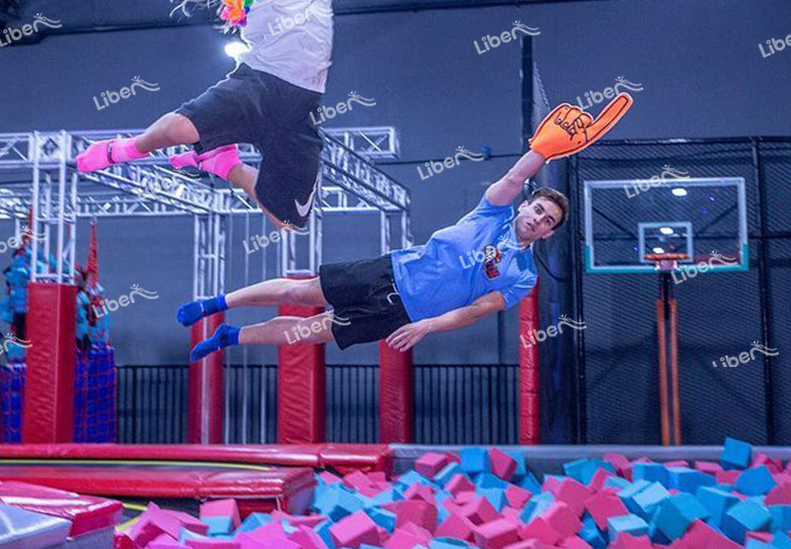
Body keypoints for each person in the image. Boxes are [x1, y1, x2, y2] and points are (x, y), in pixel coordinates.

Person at [75, 0, 482, 229]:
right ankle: (124, 149)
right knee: (181, 130)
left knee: (288, 219)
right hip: (258, 83)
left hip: (302, 102)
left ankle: (223, 164)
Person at [177, 95, 633, 359]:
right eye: (536, 210)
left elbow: (474, 311)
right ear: (525, 208)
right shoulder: (491, 212)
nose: (538, 219)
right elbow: (514, 178)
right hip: (389, 272)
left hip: (404, 314)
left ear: (548, 233)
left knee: (309, 332)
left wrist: (427, 327)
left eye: (547, 221)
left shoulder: (524, 275)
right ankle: (215, 303)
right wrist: (544, 151)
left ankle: (229, 337)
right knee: (301, 293)